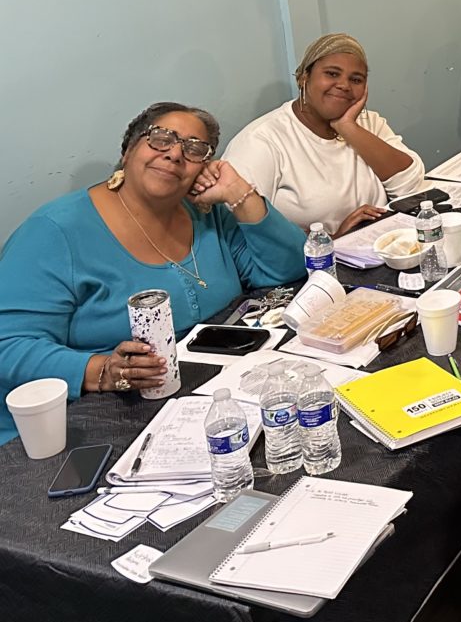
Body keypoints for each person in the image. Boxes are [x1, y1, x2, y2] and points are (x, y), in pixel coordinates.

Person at [0, 103, 307, 447]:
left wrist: (239, 193)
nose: (175, 154)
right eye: (161, 138)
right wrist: (102, 371)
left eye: (194, 149)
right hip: (89, 422)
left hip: (208, 399)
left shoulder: (206, 214)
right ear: (128, 150)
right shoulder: (54, 232)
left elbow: (289, 269)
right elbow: (8, 346)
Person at [221, 34, 426, 236]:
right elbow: (241, 235)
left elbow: (410, 186)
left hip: (385, 244)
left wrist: (347, 127)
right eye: (332, 74)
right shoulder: (261, 141)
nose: (344, 85)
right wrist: (333, 240)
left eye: (356, 79)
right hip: (313, 257)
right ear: (303, 78)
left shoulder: (368, 123)